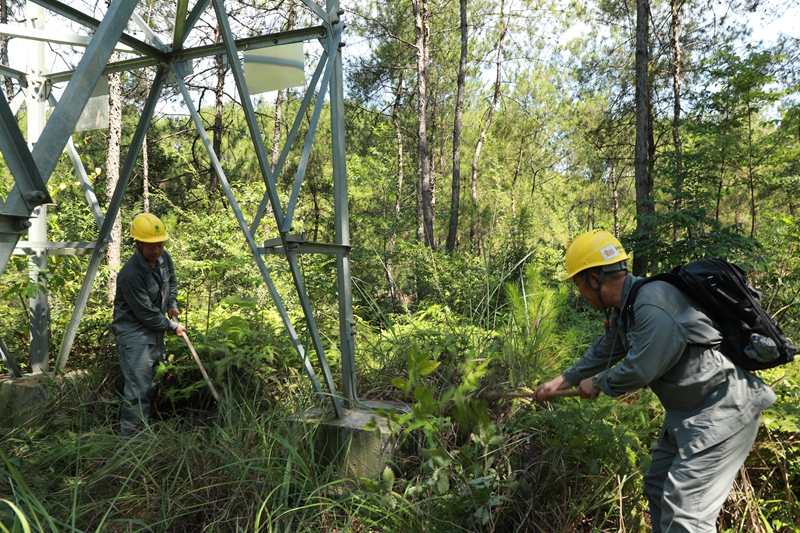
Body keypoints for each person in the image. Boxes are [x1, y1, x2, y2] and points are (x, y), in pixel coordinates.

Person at [535, 229, 776, 533]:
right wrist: (558, 383)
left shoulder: (652, 303)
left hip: (722, 412)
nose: (579, 293)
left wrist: (597, 383)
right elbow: (605, 349)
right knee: (658, 484)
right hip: (688, 416)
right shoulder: (630, 308)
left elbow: (640, 368)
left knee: (687, 512)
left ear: (595, 279)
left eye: (578, 284)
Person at [112, 213, 186, 435]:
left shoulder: (164, 258)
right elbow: (146, 312)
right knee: (138, 389)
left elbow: (171, 280)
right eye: (151, 246)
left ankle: (147, 428)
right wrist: (173, 327)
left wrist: (171, 304)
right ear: (138, 243)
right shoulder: (130, 274)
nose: (156, 250)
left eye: (160, 244)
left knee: (152, 385)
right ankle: (132, 439)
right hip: (135, 336)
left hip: (155, 333)